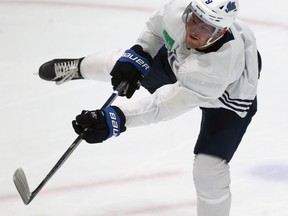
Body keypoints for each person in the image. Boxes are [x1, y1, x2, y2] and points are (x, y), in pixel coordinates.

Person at [38, 0, 262, 215]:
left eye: (206, 28)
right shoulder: (179, 12)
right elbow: (156, 29)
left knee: (208, 170)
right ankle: (78, 68)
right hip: (189, 62)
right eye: (194, 19)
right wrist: (139, 54)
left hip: (228, 98)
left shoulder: (215, 69)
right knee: (122, 65)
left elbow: (163, 105)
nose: (194, 29)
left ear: (220, 33)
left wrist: (115, 118)